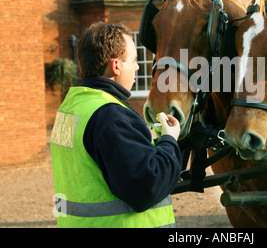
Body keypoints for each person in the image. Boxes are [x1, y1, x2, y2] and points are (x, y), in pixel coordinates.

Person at [50, 22, 182, 228]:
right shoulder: (111, 116)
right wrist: (169, 140)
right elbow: (147, 187)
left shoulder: (72, 107)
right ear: (116, 66)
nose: (138, 67)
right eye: (134, 60)